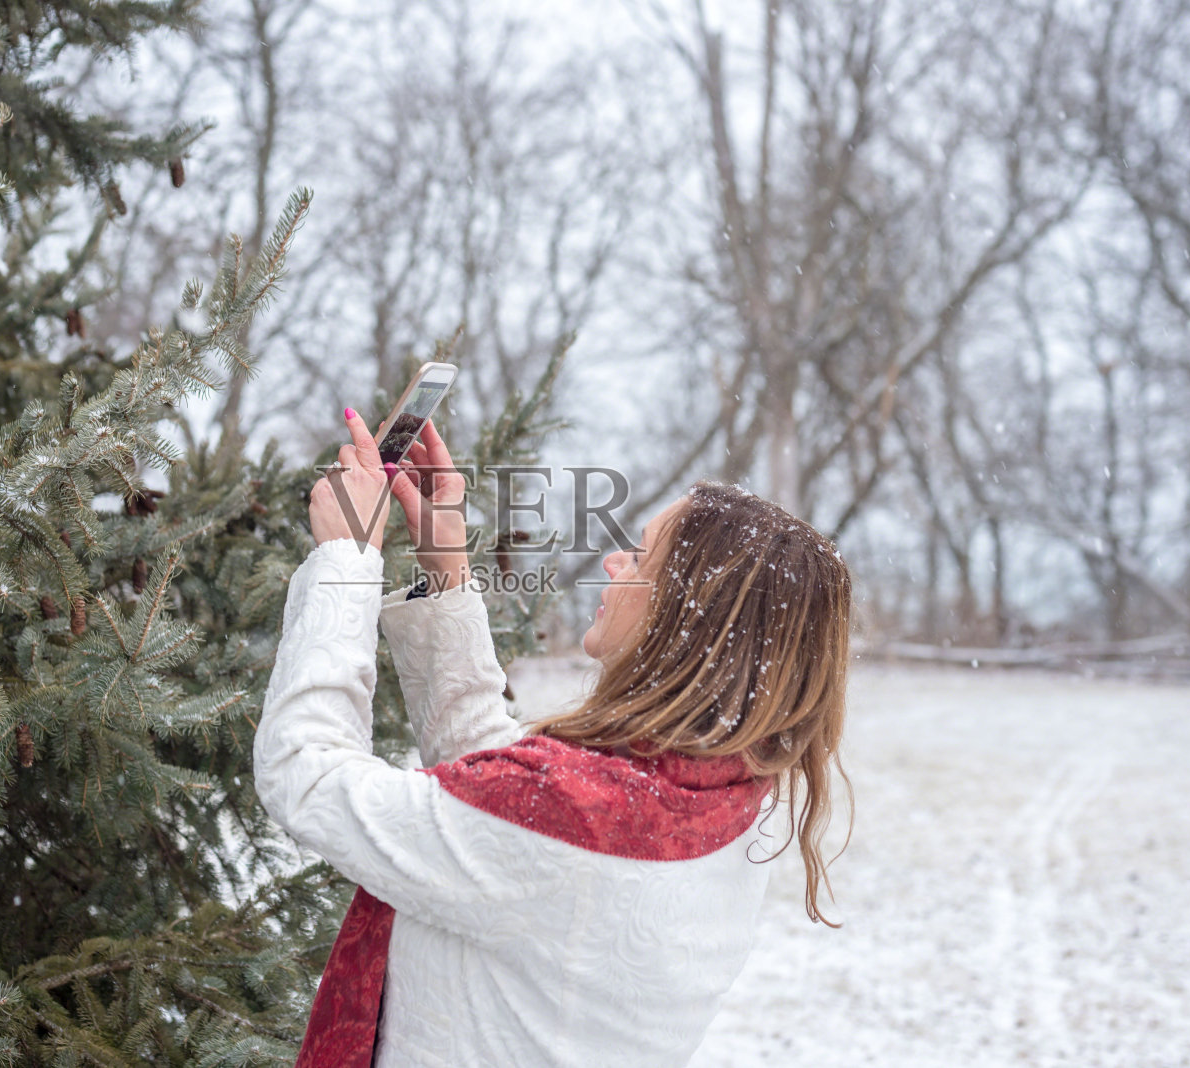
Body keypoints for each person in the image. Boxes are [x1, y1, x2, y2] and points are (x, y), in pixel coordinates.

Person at [254, 408, 853, 1068]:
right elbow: (503, 814)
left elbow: (305, 772)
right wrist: (445, 567)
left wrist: (345, 561)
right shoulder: (722, 804)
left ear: (687, 618)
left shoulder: (568, 818)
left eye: (641, 556)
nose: (614, 561)